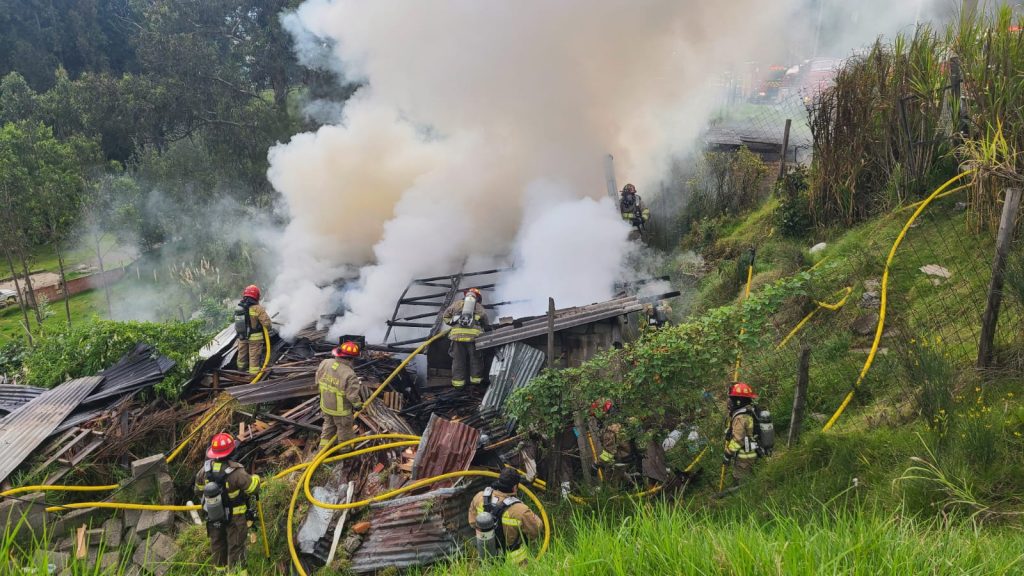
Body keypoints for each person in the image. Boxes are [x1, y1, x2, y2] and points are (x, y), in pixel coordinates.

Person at [195, 432, 261, 572]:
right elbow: (253, 488)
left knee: (218, 544)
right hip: (235, 518)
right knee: (235, 546)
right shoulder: (236, 472)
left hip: (213, 516)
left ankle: (220, 571)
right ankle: (237, 573)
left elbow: (198, 490)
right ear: (231, 451)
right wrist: (256, 478)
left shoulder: (204, 470)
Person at [468, 468, 543, 565]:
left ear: (499, 480)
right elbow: (536, 530)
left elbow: (473, 523)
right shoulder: (521, 510)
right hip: (514, 563)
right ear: (515, 487)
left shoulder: (479, 497)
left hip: (486, 556)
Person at [316, 340, 364, 451]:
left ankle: (322, 450)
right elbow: (352, 396)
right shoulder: (349, 374)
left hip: (326, 405)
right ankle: (344, 452)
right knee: (344, 431)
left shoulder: (325, 363)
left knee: (328, 427)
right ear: (351, 359)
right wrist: (358, 405)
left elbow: (317, 380)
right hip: (341, 411)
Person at [442, 288, 490, 387]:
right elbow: (485, 322)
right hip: (473, 338)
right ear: (478, 298)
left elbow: (445, 317)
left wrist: (453, 323)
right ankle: (476, 382)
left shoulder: (456, 304)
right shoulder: (479, 307)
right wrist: (484, 328)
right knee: (476, 359)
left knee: (458, 360)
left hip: (457, 337)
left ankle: (458, 384)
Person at [722, 382, 760, 487]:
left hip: (745, 456)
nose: (729, 402)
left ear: (738, 401)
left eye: (732, 399)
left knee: (741, 482)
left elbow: (738, 440)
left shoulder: (740, 417)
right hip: (753, 450)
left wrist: (727, 453)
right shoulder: (750, 410)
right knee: (752, 477)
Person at [233, 285, 272, 375]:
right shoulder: (258, 308)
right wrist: (269, 328)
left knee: (241, 356)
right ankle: (253, 376)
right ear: (256, 296)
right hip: (255, 339)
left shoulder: (240, 307)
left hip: (242, 337)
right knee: (254, 357)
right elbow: (267, 323)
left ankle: (240, 372)